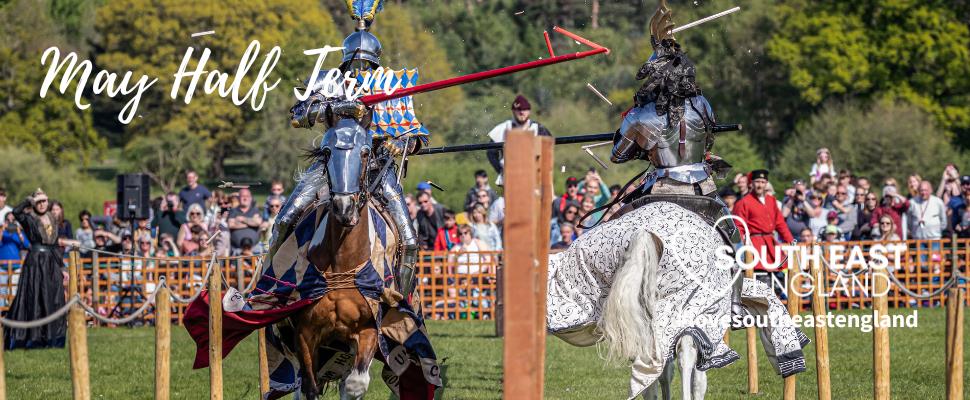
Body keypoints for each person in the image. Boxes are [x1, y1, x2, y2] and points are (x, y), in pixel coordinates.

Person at [5, 189, 73, 349]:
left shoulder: (53, 218)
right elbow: (15, 211)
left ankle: (52, 338)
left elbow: (55, 245)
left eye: (44, 201)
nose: (42, 204)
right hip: (35, 263)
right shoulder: (29, 218)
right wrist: (29, 200)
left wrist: (62, 268)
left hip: (51, 262)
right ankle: (32, 339)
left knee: (53, 298)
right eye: (39, 201)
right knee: (34, 297)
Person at [732, 170, 795, 271]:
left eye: (763, 182)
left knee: (779, 276)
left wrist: (791, 242)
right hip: (754, 246)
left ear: (766, 184)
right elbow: (738, 228)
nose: (760, 185)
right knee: (760, 277)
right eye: (757, 181)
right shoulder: (743, 202)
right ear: (751, 183)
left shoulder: (771, 200)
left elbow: (780, 224)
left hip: (771, 245)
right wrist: (743, 249)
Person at [485, 95, 552, 185]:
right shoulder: (505, 127)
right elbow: (491, 152)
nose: (521, 112)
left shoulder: (538, 128)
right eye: (519, 110)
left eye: (524, 109)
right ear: (513, 111)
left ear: (529, 111)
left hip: (533, 176)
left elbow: (548, 149)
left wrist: (541, 170)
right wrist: (501, 170)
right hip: (510, 177)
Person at [228, 188, 262, 254]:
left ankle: (248, 254)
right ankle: (247, 254)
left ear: (250, 198)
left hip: (254, 245)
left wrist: (242, 219)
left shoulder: (255, 210)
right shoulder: (233, 211)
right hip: (237, 246)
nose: (245, 198)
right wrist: (250, 222)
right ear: (238, 198)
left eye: (247, 196)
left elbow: (258, 222)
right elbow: (231, 225)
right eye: (243, 196)